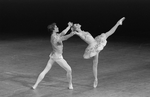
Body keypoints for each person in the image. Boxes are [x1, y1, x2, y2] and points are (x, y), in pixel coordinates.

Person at [71, 17, 125, 88]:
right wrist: (74, 31)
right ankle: (96, 79)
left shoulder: (83, 31)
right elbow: (79, 34)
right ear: (77, 28)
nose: (78, 24)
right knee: (95, 64)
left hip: (96, 41)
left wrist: (74, 28)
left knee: (107, 34)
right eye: (76, 25)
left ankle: (118, 23)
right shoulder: (80, 33)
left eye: (77, 24)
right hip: (93, 47)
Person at [32, 22, 75, 90]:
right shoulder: (55, 38)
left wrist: (69, 27)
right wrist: (72, 34)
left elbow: (62, 33)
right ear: (53, 29)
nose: (58, 28)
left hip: (53, 56)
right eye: (56, 27)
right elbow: (64, 37)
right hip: (57, 57)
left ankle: (35, 85)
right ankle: (70, 84)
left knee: (45, 70)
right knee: (69, 70)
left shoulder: (55, 35)